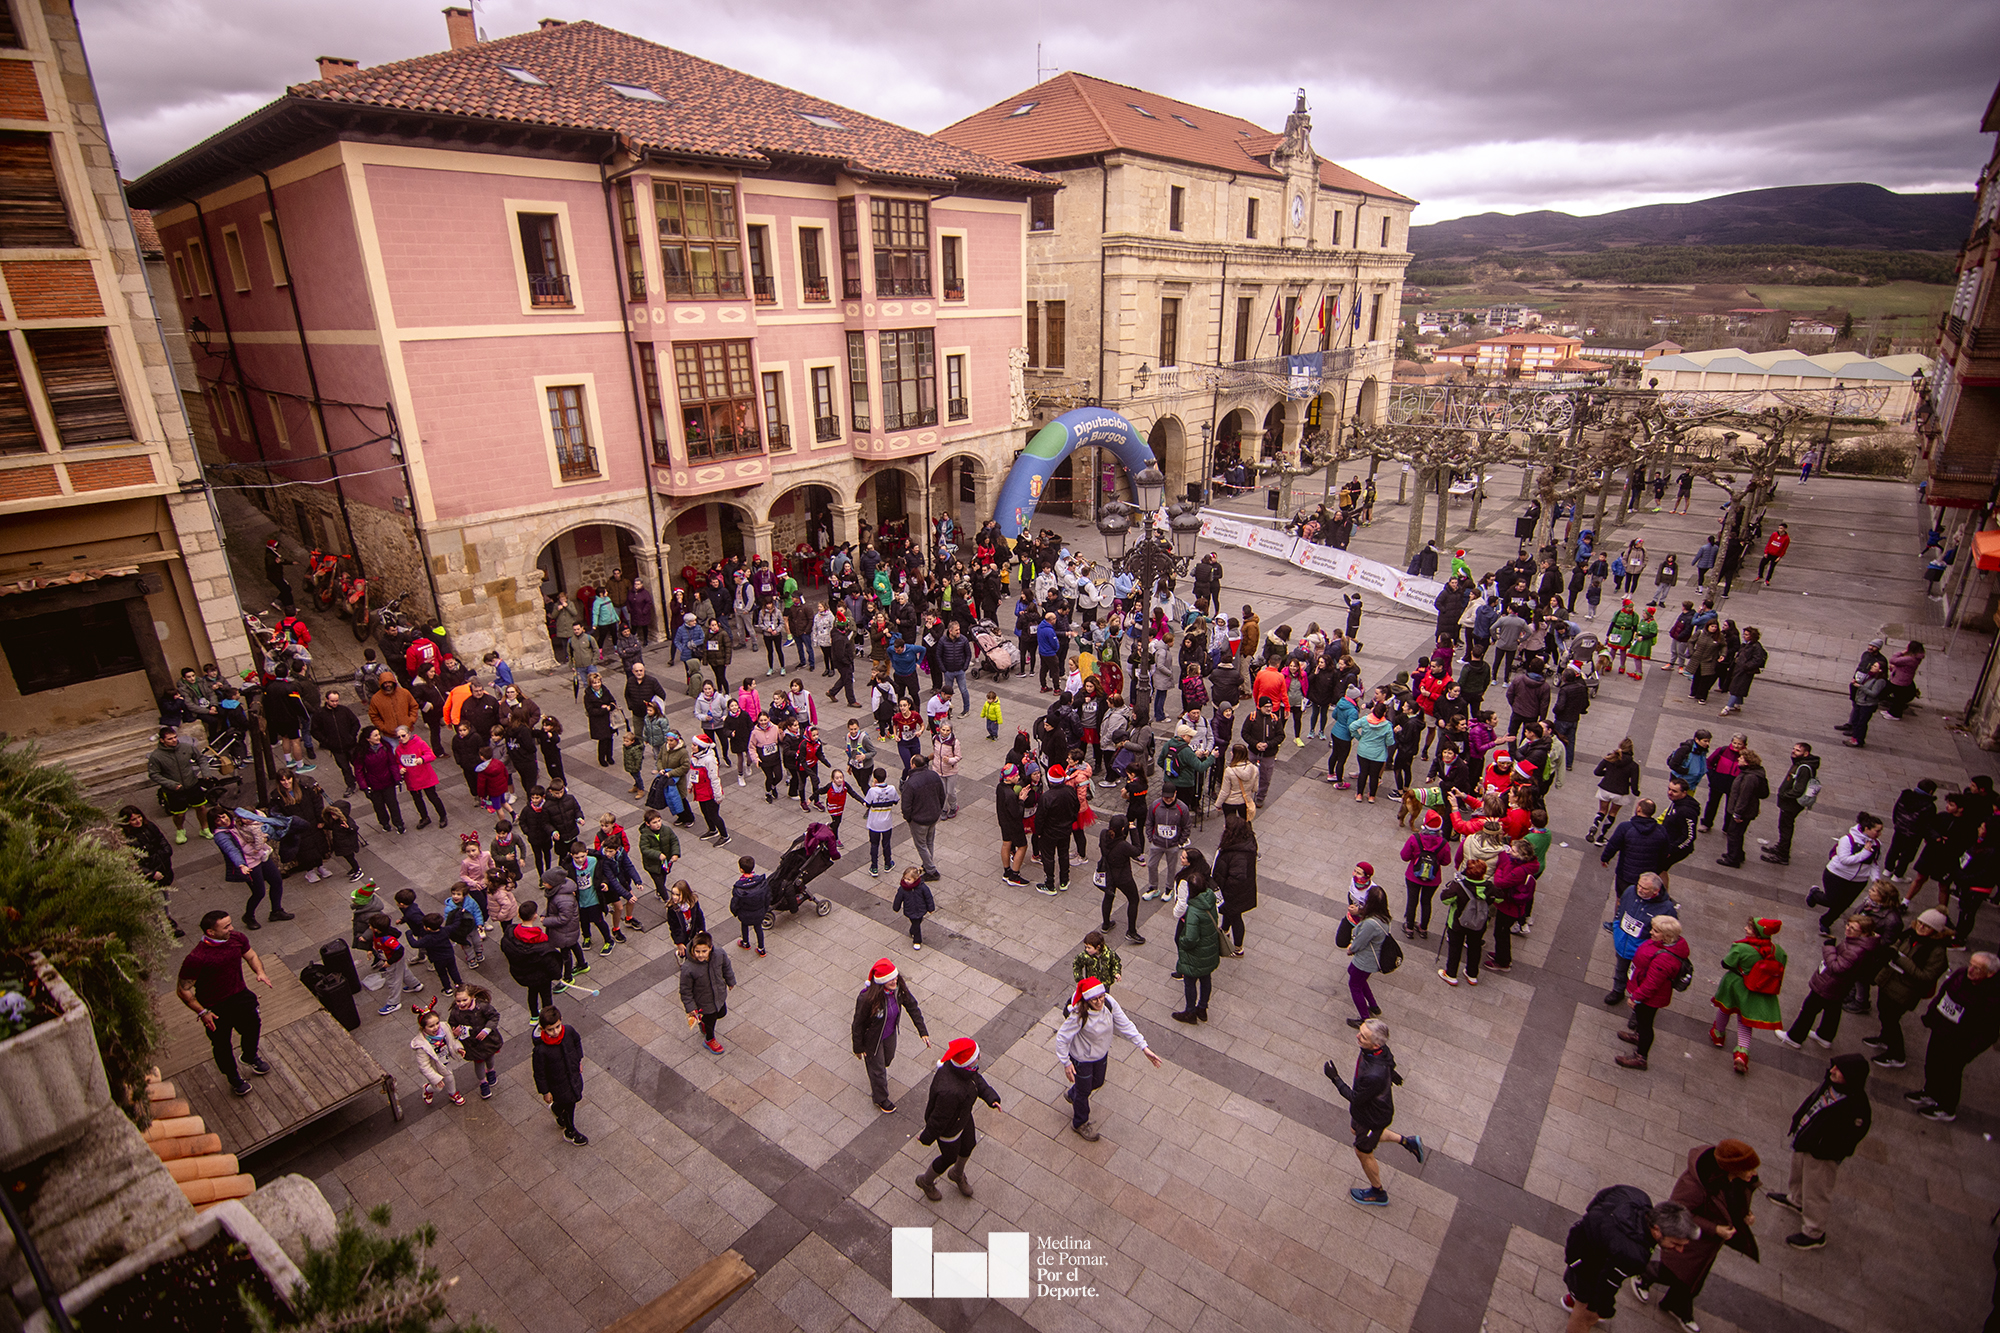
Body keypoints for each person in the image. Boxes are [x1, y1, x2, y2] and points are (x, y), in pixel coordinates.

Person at [1635, 1140, 1761, 1330]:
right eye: (1749, 1169)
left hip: (1705, 1246)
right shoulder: (1696, 1185)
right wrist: (1714, 1228)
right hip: (1688, 1241)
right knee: (1675, 1273)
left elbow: (1733, 1203)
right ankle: (1644, 1275)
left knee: (1693, 1278)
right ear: (1734, 1168)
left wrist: (1745, 1215)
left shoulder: (1735, 1180)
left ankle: (1676, 1305)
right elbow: (1677, 1210)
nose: (1754, 1173)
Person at [1767, 1054, 1871, 1249]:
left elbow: (1851, 1136)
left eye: (1838, 1070)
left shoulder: (1857, 1106)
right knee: (1797, 1172)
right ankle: (1796, 1200)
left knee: (1817, 1189)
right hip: (1806, 1141)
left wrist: (1825, 1149)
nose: (1832, 1071)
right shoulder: (1831, 1085)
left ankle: (1814, 1232)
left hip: (1822, 1153)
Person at [1560, 1187, 1699, 1332]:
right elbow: (1607, 1286)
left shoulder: (1635, 1195)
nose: (1680, 1250)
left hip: (1579, 1241)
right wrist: (1601, 1309)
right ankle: (1577, 1303)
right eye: (1675, 1243)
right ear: (1657, 1230)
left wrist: (1594, 1224)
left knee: (1582, 1292)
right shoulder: (1633, 1256)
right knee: (1586, 1317)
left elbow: (1600, 1197)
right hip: (1586, 1265)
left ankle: (1573, 1298)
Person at [1322, 1018, 1427, 1206]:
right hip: (1363, 1114)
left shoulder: (1374, 1075)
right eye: (1360, 1032)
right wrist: (1392, 1073)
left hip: (1372, 1118)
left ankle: (1377, 1192)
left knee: (1363, 1151)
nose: (1357, 1036)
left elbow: (1355, 1097)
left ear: (1376, 1043)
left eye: (1363, 1036)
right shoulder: (1379, 1051)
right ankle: (1407, 1141)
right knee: (1355, 1130)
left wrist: (1335, 1078)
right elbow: (1389, 1059)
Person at [175, 910, 274, 1097]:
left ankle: (249, 1056)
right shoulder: (196, 958)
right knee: (222, 1045)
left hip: (240, 996)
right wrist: (202, 1012)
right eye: (226, 926)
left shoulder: (236, 938)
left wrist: (260, 972)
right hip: (215, 1007)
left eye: (230, 924)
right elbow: (183, 990)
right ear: (210, 932)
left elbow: (251, 955)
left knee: (253, 1026)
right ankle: (233, 1078)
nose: (232, 928)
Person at [1053, 975, 1161, 1142]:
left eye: (1101, 996)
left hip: (1101, 1054)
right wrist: (1066, 1063)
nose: (1099, 1001)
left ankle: (1074, 1094)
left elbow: (1125, 1023)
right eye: (1094, 999)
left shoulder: (1109, 1003)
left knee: (1097, 1082)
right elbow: (1062, 1038)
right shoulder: (1078, 1015)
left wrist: (1143, 1047)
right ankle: (1079, 1122)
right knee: (1084, 1091)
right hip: (1082, 1059)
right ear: (1087, 1000)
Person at [1904, 951, 1999, 1122]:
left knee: (1951, 1074)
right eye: (1971, 964)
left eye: (1977, 969)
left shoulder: (1992, 996)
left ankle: (1946, 1107)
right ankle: (1930, 1091)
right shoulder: (1960, 974)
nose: (1970, 970)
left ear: (1990, 974)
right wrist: (1931, 1014)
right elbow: (1944, 993)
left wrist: (1969, 1051)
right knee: (1932, 1062)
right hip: (1941, 1029)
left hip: (1960, 1042)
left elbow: (1989, 1032)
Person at [914, 1038, 1004, 1201]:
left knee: (969, 1145)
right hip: (949, 1130)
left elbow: (977, 1081)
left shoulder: (966, 1071)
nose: (980, 1057)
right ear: (968, 1062)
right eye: (977, 1056)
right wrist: (927, 1136)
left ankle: (957, 1174)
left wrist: (991, 1097)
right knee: (949, 1158)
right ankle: (925, 1181)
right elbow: (938, 1119)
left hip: (962, 1117)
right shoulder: (950, 1091)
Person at [1776, 915, 1882, 1050]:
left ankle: (1795, 1037)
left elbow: (1837, 968)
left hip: (1829, 984)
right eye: (1848, 925)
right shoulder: (1864, 945)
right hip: (1840, 986)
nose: (1848, 929)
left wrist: (1829, 949)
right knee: (1832, 1009)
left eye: (1853, 928)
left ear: (1864, 933)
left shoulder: (1855, 950)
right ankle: (1825, 1036)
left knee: (1809, 1009)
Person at [1708, 917, 1788, 1074]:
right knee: (1745, 1022)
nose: (1745, 929)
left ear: (1757, 933)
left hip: (1736, 984)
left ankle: (1718, 1034)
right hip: (1758, 990)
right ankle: (1742, 1053)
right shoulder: (1778, 951)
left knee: (1725, 1009)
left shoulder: (1741, 948)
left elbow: (1726, 963)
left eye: (1750, 928)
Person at [853, 958, 931, 1112]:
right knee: (879, 1070)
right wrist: (858, 1047)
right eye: (890, 979)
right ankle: (880, 1098)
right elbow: (858, 1024)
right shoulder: (867, 999)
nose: (894, 981)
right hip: (872, 1040)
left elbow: (912, 1007)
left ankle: (877, 1073)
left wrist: (923, 1031)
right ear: (881, 982)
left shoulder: (899, 989)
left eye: (895, 977)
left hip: (889, 1034)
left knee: (888, 1059)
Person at [1613, 916, 1689, 1071]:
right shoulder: (1663, 946)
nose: (1651, 932)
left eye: (1656, 931)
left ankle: (1641, 1057)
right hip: (1645, 991)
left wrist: (1636, 997)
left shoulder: (1664, 959)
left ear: (1666, 937)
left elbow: (1652, 984)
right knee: (1643, 1021)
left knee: (1646, 1023)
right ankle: (1638, 1035)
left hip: (1649, 998)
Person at [1605, 873, 1678, 1005]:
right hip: (1623, 945)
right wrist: (1617, 929)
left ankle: (1637, 1005)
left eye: (1645, 889)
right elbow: (1621, 910)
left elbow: (1668, 934)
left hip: (1643, 953)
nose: (1639, 890)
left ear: (1655, 891)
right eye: (1639, 885)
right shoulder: (1630, 891)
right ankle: (1618, 991)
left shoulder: (1666, 909)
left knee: (1641, 979)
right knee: (1620, 970)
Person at [530, 1006, 588, 1146]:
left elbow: (576, 1041)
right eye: (550, 1029)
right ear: (543, 1029)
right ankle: (570, 1131)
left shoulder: (568, 1031)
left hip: (572, 1076)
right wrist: (545, 1091)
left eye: (557, 1027)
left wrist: (578, 1060)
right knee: (570, 1105)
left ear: (561, 1021)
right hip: (557, 1084)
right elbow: (539, 1073)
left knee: (570, 1100)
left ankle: (557, 1109)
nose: (555, 1032)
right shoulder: (541, 1050)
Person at [1172, 859, 1221, 1023]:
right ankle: (1202, 1008)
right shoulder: (1210, 900)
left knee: (1190, 982)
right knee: (1206, 980)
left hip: (1195, 955)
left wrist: (1183, 942)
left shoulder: (1193, 910)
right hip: (1209, 950)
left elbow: (1191, 938)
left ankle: (1190, 1012)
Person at [1760, 741, 1821, 866]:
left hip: (1791, 804)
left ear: (1806, 753)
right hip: (1790, 803)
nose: (1793, 751)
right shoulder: (1801, 764)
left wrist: (1784, 795)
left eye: (1798, 750)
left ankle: (1782, 855)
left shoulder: (1803, 768)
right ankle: (1781, 847)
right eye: (1793, 749)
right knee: (1784, 826)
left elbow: (1798, 790)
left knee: (1785, 827)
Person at [1438, 857, 1496, 986]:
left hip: (1458, 923)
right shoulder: (1489, 887)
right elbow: (1499, 899)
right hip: (1479, 924)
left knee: (1455, 948)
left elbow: (1445, 900)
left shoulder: (1458, 887)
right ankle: (1472, 974)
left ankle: (1451, 974)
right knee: (1475, 947)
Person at [500, 899, 561, 1021]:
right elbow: (550, 963)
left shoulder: (512, 933)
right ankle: (548, 1018)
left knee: (532, 993)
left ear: (519, 915)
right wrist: (557, 974)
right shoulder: (541, 940)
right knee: (546, 996)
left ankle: (534, 1015)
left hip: (525, 974)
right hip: (541, 976)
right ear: (535, 916)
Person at [679, 930, 736, 1053]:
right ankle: (709, 1039)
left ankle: (703, 1022)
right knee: (711, 1021)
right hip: (703, 1002)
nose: (700, 955)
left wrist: (730, 981)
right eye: (697, 951)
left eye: (704, 951)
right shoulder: (688, 968)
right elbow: (685, 990)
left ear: (710, 948)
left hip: (719, 995)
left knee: (721, 1013)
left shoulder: (719, 954)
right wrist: (690, 1008)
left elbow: (726, 966)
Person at [1346, 885, 1393, 1026]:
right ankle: (1373, 1005)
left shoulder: (1370, 924)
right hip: (1371, 959)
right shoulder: (1384, 917)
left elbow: (1359, 942)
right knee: (1357, 978)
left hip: (1365, 960)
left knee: (1354, 985)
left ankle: (1364, 1018)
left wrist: (1351, 949)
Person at [1213, 814, 1258, 957]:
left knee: (1236, 916)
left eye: (1226, 827)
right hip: (1237, 892)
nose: (1223, 828)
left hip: (1235, 893)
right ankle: (1225, 930)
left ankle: (1238, 948)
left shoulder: (1238, 853)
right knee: (1230, 912)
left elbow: (1237, 878)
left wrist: (1224, 890)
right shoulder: (1242, 843)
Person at [1716, 748, 1769, 867]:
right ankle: (1737, 854)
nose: (1738, 759)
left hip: (1743, 812)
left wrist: (1737, 813)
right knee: (1738, 833)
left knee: (1734, 833)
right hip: (1747, 810)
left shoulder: (1750, 777)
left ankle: (1732, 859)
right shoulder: (1749, 773)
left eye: (1741, 758)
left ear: (1747, 762)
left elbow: (1744, 797)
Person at [901, 753, 947, 883]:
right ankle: (928, 866)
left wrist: (908, 818)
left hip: (919, 820)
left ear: (913, 765)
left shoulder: (910, 783)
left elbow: (906, 805)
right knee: (929, 842)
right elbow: (942, 795)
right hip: (933, 816)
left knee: (921, 845)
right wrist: (938, 810)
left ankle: (931, 870)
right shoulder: (934, 775)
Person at [410, 1008, 466, 1108]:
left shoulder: (444, 1028)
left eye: (437, 1023)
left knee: (449, 1078)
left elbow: (451, 1042)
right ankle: (428, 1089)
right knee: (438, 1088)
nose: (436, 1027)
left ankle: (453, 1094)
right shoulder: (422, 1046)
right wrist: (436, 1078)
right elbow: (424, 1066)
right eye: (431, 1026)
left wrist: (458, 1048)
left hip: (444, 1062)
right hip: (434, 1067)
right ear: (423, 1028)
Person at [1719, 626, 1767, 716]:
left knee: (1736, 689)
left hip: (1745, 671)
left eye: (1746, 635)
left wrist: (1746, 666)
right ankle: (1737, 705)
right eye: (1744, 634)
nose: (1744, 636)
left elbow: (1757, 659)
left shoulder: (1756, 647)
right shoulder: (1746, 645)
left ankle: (1727, 707)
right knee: (1738, 688)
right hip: (1739, 669)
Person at [729, 854, 771, 956]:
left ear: (741, 869)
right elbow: (768, 897)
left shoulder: (739, 888)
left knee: (744, 926)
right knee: (758, 929)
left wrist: (735, 912)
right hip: (759, 912)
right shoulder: (762, 882)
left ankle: (745, 942)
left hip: (745, 914)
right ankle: (761, 948)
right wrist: (765, 909)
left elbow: (735, 903)